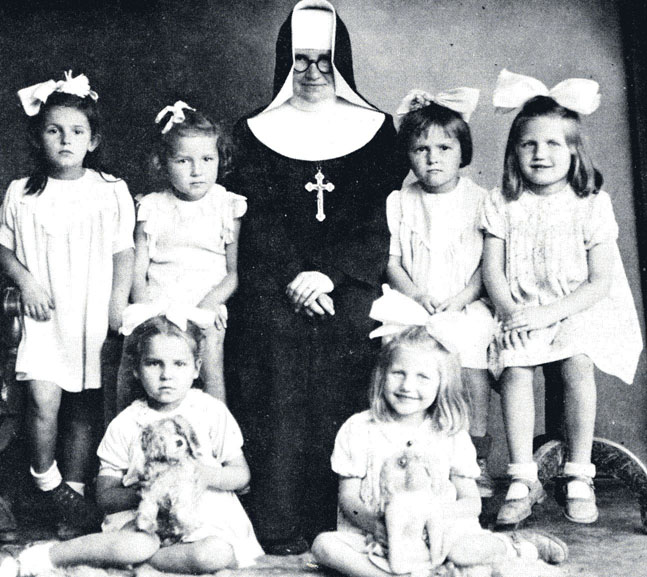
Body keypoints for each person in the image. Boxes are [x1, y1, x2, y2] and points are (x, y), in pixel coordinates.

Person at [226, 0, 407, 553]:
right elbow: (251, 218)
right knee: (274, 335)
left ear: (341, 62)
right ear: (285, 62)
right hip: (274, 280)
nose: (311, 72)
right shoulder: (253, 132)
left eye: (324, 61)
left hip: (349, 280)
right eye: (300, 60)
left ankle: (339, 517)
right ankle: (278, 519)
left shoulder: (376, 130)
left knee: (351, 331)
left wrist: (328, 275)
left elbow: (378, 219)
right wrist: (294, 276)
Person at [481, 69, 643, 526]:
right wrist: (513, 313)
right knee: (515, 364)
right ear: (514, 152)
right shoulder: (502, 202)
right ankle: (522, 475)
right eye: (529, 144)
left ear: (574, 151)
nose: (541, 154)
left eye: (554, 143)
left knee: (577, 361)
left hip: (578, 307)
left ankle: (578, 472)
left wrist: (549, 314)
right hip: (520, 306)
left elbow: (600, 282)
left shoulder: (591, 203)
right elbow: (492, 270)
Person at [3, 314, 263, 576]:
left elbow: (241, 475)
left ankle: (140, 564)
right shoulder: (126, 423)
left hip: (204, 520)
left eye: (179, 364)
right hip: (143, 518)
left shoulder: (210, 411)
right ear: (137, 369)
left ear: (196, 368)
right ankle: (44, 556)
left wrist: (206, 475)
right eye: (154, 363)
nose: (166, 375)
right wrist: (147, 491)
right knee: (135, 544)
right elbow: (105, 496)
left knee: (215, 554)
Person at [311, 318, 568, 577]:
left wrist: (432, 515)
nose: (407, 386)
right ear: (382, 375)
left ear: (441, 384)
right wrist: (377, 526)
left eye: (423, 377)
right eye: (398, 373)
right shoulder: (359, 428)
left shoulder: (449, 433)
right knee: (324, 546)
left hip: (444, 533)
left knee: (463, 553)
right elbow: (348, 499)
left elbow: (471, 503)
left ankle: (514, 547)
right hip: (378, 535)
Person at [0, 71, 135, 534]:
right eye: (54, 130)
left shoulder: (110, 189)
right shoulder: (21, 192)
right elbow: (4, 248)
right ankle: (47, 480)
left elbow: (123, 252)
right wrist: (26, 282)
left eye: (77, 131)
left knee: (83, 405)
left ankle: (71, 498)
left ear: (93, 140)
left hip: (91, 312)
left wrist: (117, 303)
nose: (65, 140)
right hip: (45, 312)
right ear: (38, 137)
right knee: (44, 402)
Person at [386, 88, 497, 498]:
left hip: (466, 303)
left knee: (470, 355)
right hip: (413, 302)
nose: (433, 158)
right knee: (403, 353)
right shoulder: (400, 201)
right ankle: (409, 456)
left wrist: (463, 297)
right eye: (421, 149)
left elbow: (488, 264)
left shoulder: (481, 200)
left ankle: (475, 458)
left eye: (444, 148)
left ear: (462, 151)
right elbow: (393, 262)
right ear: (408, 155)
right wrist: (416, 295)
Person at [120, 101, 245, 407]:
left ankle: (216, 430)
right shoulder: (151, 206)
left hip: (205, 304)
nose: (197, 171)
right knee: (132, 357)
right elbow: (139, 268)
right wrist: (148, 310)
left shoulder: (226, 205)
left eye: (207, 159)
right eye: (183, 161)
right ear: (163, 163)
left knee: (210, 359)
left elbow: (233, 274)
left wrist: (205, 308)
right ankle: (122, 427)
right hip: (158, 303)